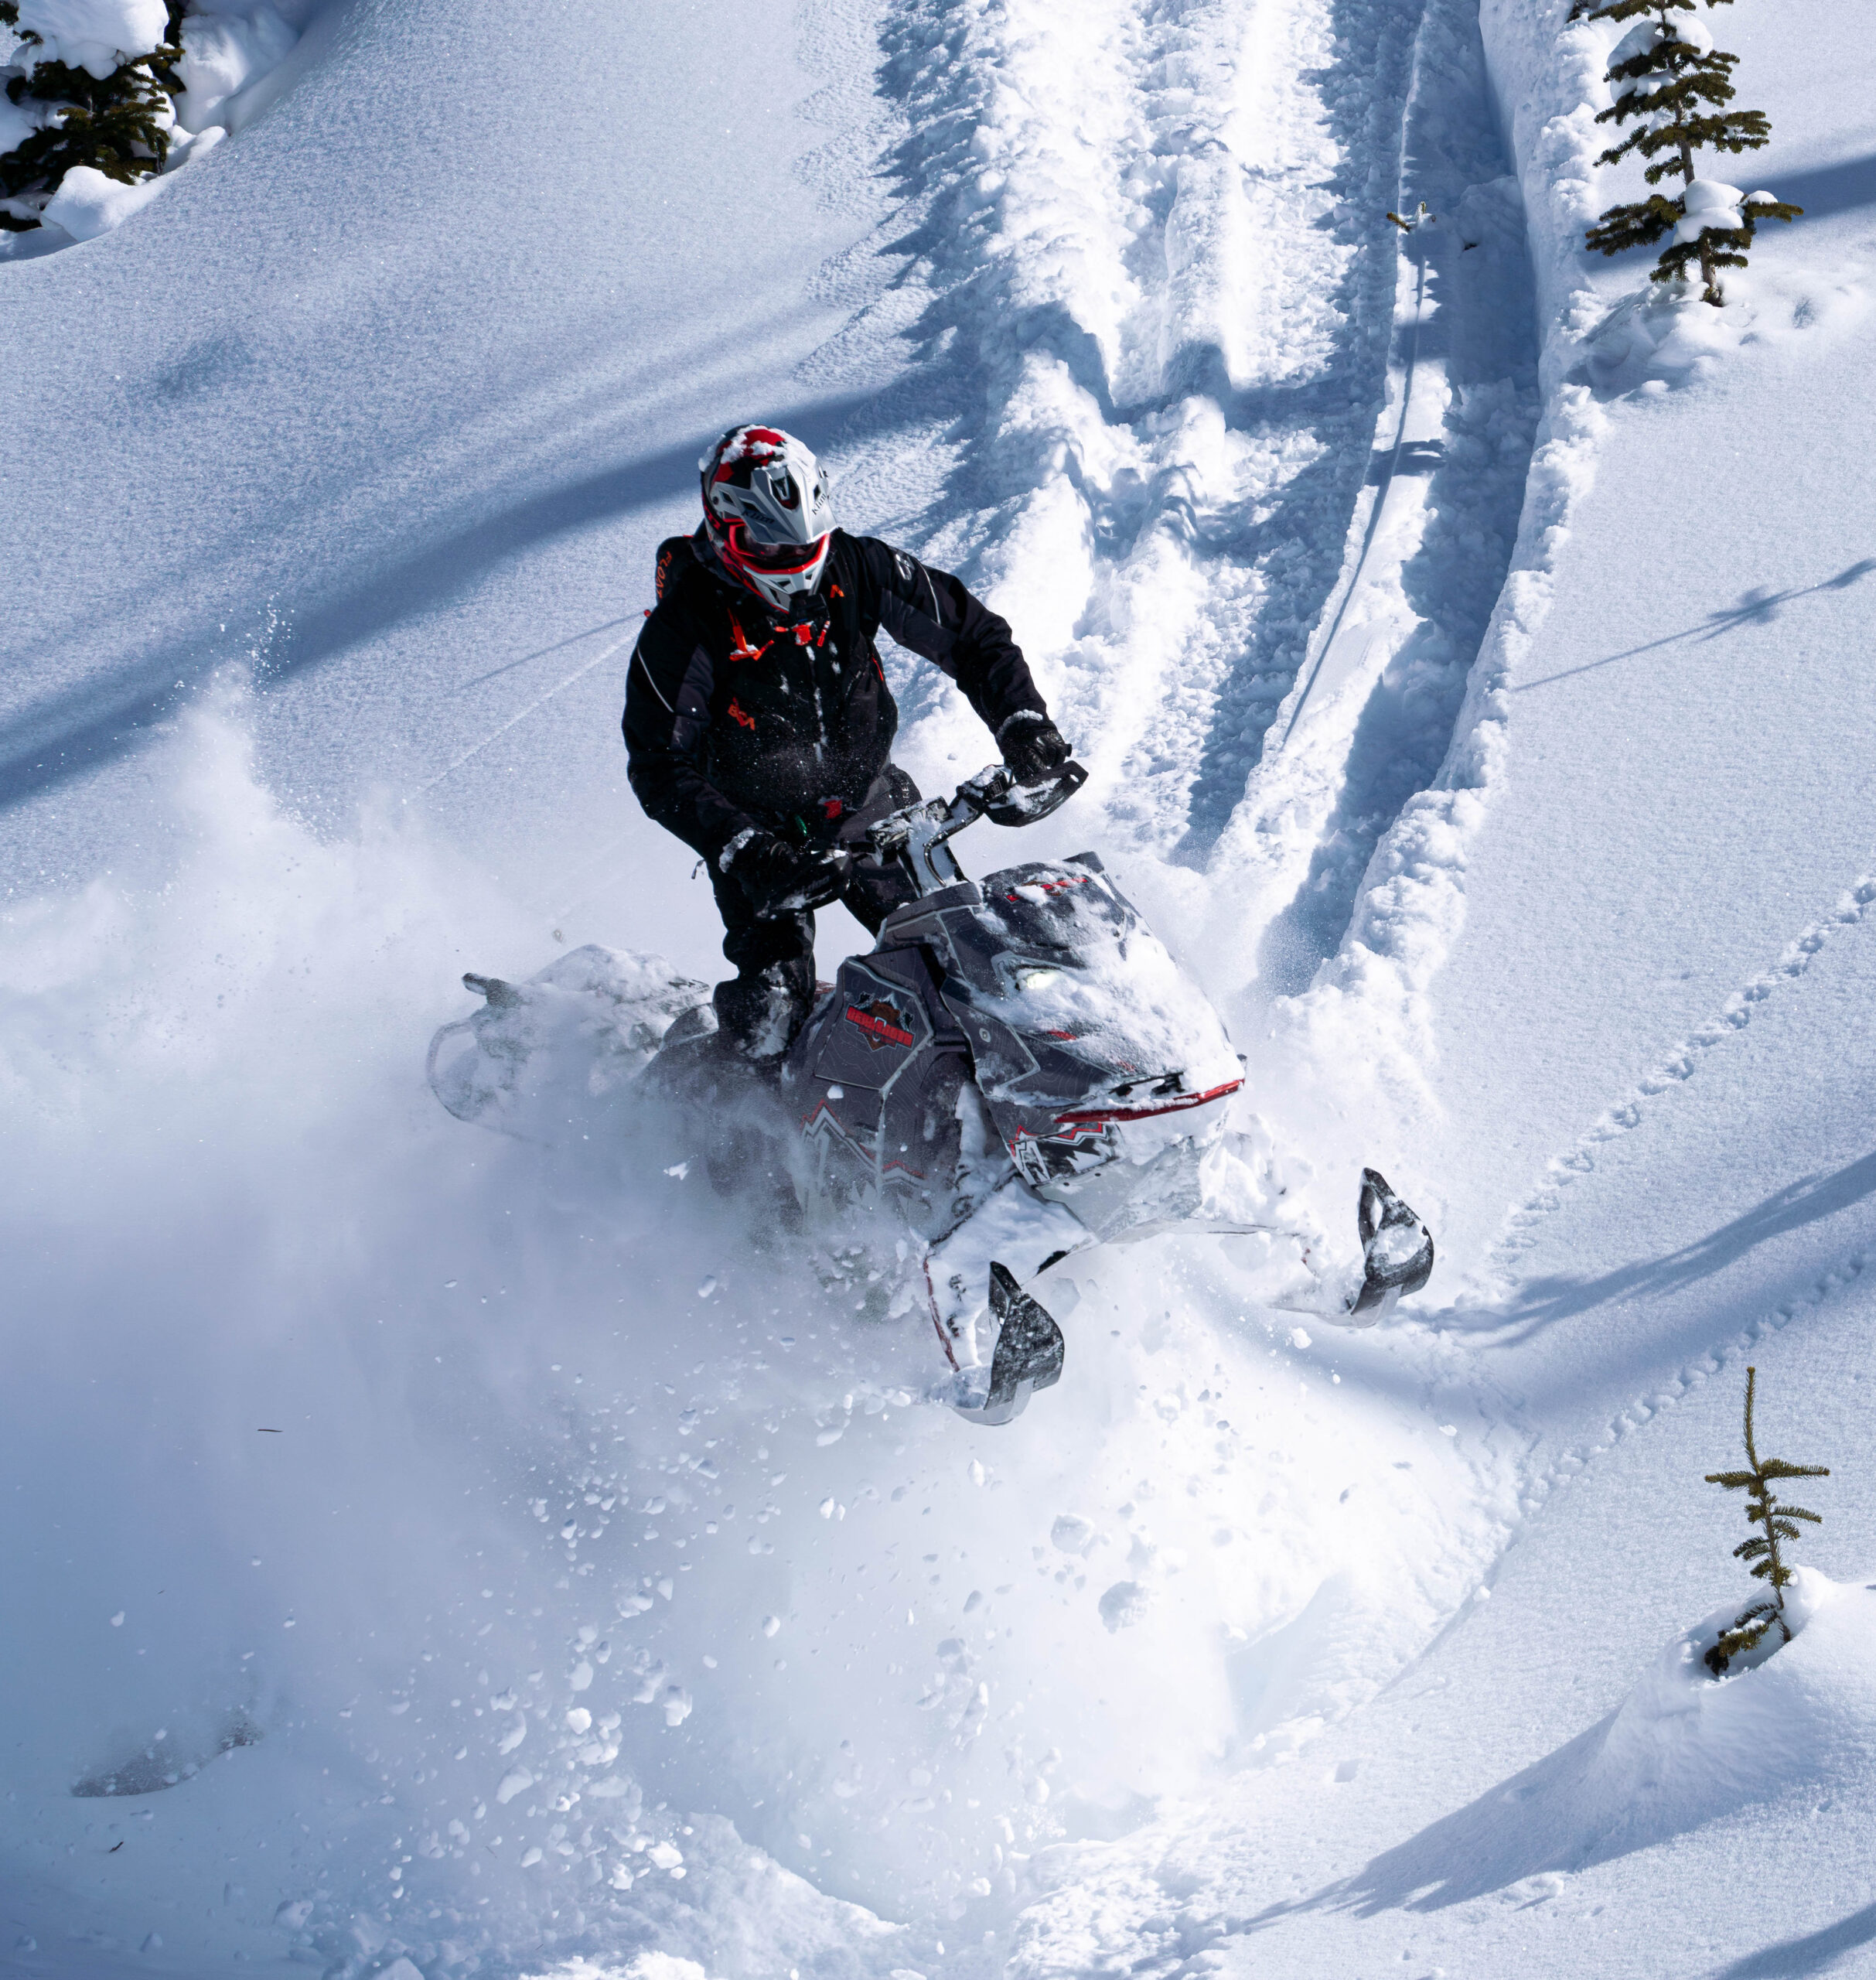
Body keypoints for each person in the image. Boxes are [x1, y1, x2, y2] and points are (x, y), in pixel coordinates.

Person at [623, 423, 1072, 1064]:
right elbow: (658, 764)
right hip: (759, 837)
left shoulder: (859, 565)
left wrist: (1021, 719)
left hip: (872, 807)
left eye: (808, 541)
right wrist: (748, 851)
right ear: (726, 531)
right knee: (771, 1020)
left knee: (967, 966)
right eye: (770, 546)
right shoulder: (685, 625)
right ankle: (723, 1136)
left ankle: (996, 1117)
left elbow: (973, 636)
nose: (797, 563)